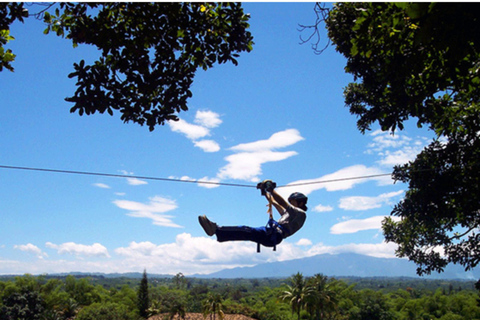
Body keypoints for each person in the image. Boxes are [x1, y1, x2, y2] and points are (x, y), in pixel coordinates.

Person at [198, 180, 307, 249]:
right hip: (272, 234)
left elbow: (282, 202)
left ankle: (217, 230)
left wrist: (271, 190)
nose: (290, 203)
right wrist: (265, 193)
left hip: (274, 235)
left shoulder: (300, 214)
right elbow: (274, 202)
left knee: (246, 230)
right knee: (246, 232)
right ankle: (219, 233)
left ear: (300, 203)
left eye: (292, 201)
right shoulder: (289, 214)